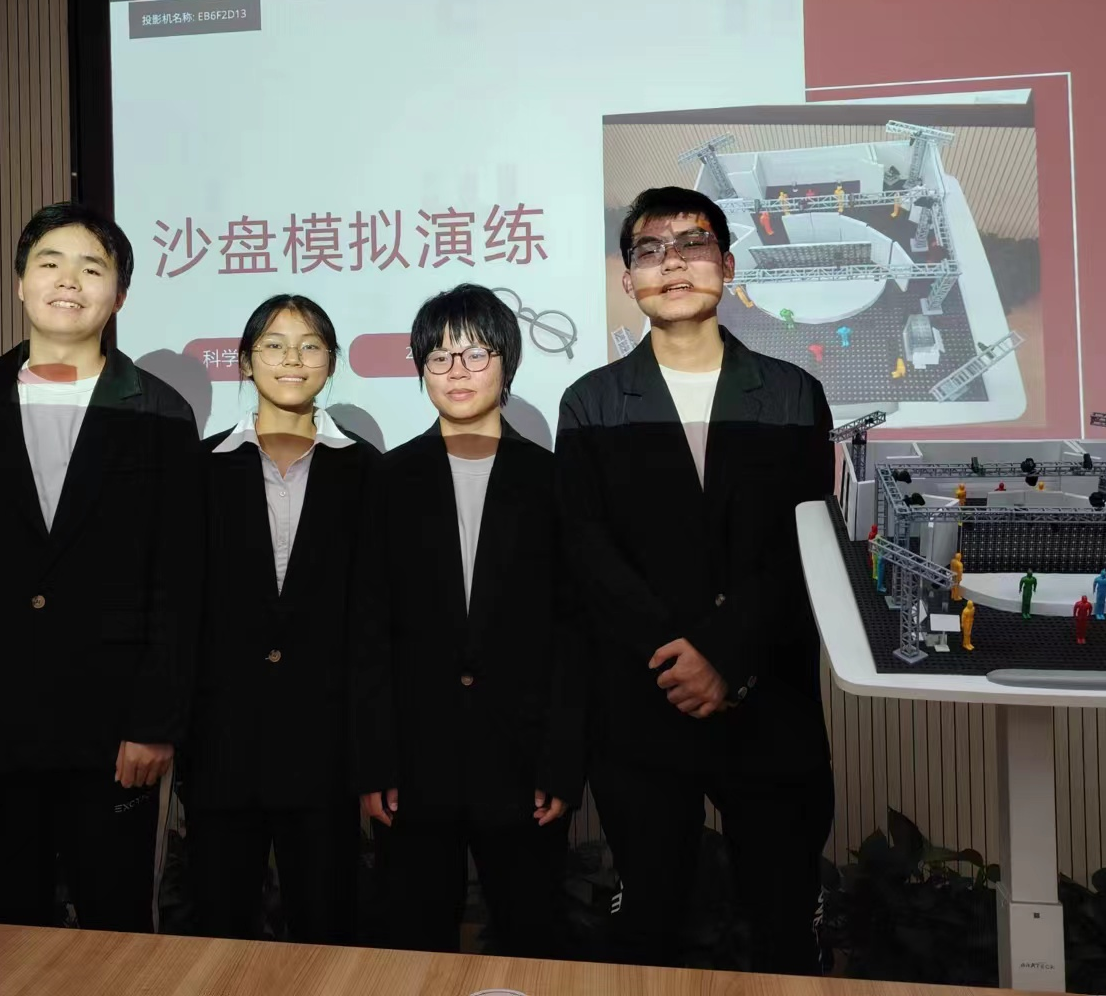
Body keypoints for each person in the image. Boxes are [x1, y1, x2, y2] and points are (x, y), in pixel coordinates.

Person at [0, 202, 203, 932]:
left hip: (114, 730)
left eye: (92, 268)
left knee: (115, 929)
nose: (69, 281)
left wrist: (155, 721)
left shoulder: (160, 412)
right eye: (50, 263)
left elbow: (180, 581)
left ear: (119, 296)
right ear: (20, 283)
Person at [555, 186, 836, 974]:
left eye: (692, 242)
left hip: (767, 704)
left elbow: (803, 542)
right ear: (628, 280)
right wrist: (677, 656)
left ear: (728, 265)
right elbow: (588, 551)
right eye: (649, 250)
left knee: (783, 927)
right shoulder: (592, 402)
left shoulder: (791, 394)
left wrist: (723, 655)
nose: (671, 262)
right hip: (643, 707)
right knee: (647, 925)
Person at [354, 285, 584, 958]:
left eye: (476, 353)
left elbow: (574, 633)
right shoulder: (386, 479)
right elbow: (368, 632)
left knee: (533, 940)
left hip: (523, 762)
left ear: (507, 363)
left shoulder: (554, 480)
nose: (457, 371)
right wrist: (374, 761)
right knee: (412, 947)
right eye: (439, 356)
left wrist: (561, 763)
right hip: (413, 767)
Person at [184, 295, 375, 943]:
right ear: (243, 361)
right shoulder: (200, 467)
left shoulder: (369, 471)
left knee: (327, 931)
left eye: (310, 345)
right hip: (221, 743)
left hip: (326, 748)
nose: (292, 358)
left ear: (332, 363)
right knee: (219, 932)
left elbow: (375, 623)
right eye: (273, 344)